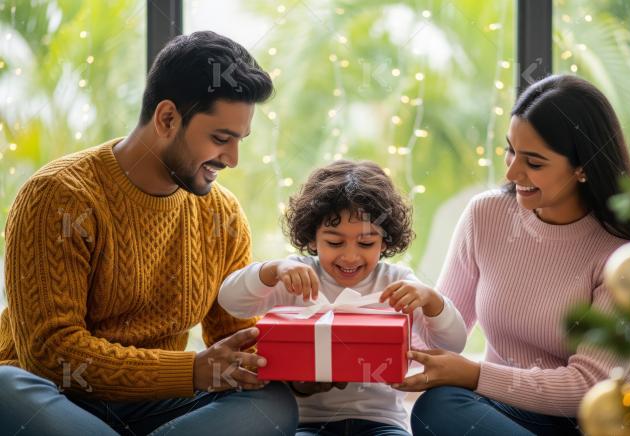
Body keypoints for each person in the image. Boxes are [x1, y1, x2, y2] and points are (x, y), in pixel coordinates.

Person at [0, 31, 297, 435]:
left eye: (239, 141)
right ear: (167, 118)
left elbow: (237, 342)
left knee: (272, 402)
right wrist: (193, 370)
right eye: (220, 139)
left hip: (154, 405)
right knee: (4, 387)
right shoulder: (59, 195)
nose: (232, 159)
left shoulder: (221, 213)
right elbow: (51, 353)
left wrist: (300, 367)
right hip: (56, 398)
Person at [403, 74, 630, 436]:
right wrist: (426, 307)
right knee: (438, 407)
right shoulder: (486, 216)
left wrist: (476, 374)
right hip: (514, 413)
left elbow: (589, 385)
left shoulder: (625, 253)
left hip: (604, 417)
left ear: (582, 167)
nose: (511, 171)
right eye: (510, 149)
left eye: (534, 162)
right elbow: (439, 340)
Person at [218, 160, 468, 435]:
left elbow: (453, 344)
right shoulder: (295, 276)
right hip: (306, 422)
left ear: (385, 242)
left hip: (381, 422)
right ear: (312, 239)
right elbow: (231, 301)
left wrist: (433, 301)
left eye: (365, 243)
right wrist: (271, 270)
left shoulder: (397, 282)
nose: (350, 256)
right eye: (335, 243)